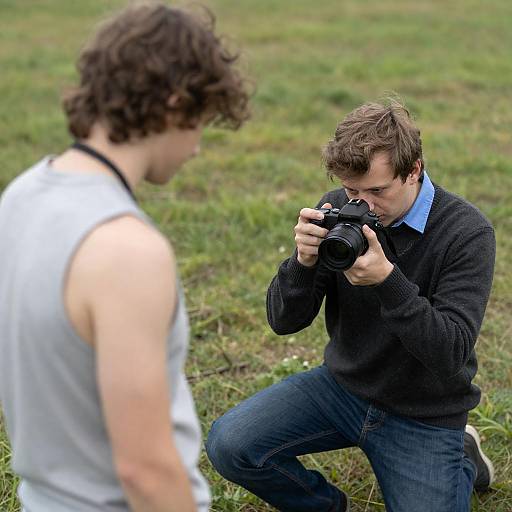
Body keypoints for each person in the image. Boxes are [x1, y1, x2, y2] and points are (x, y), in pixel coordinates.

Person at [0, 2, 249, 511]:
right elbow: (145, 470)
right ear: (176, 105)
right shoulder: (127, 250)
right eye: (200, 121)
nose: (198, 147)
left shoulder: (21, 195)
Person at [206, 100, 496, 512]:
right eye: (352, 191)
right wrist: (302, 264)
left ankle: (462, 458)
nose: (365, 206)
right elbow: (284, 323)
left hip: (424, 412)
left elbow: (451, 353)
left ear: (413, 170)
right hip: (343, 388)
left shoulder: (466, 232)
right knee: (229, 444)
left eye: (378, 191)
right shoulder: (340, 212)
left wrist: (388, 282)